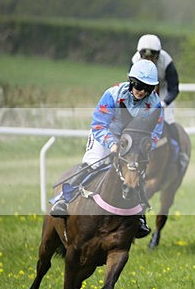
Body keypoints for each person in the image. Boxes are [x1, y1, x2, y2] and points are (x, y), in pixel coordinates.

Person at [50, 60, 164, 238]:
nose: (142, 91)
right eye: (139, 86)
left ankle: (140, 216)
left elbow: (155, 133)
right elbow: (98, 125)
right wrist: (112, 143)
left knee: (136, 172)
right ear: (131, 81)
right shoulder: (113, 95)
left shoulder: (155, 105)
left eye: (148, 88)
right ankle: (63, 200)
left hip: (133, 143)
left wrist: (144, 149)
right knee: (93, 164)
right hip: (106, 136)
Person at [131, 34, 184, 169]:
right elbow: (131, 86)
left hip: (163, 91)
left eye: (153, 56)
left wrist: (163, 103)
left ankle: (179, 154)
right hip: (144, 91)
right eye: (146, 56)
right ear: (140, 54)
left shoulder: (167, 62)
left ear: (159, 55)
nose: (149, 60)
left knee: (168, 119)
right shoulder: (135, 61)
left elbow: (174, 88)